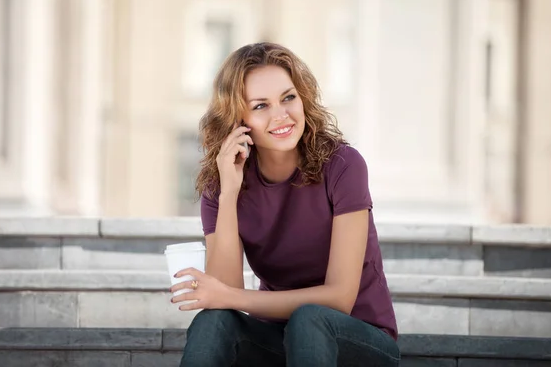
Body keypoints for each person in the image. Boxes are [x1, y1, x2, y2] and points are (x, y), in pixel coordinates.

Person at [169, 42, 399, 367]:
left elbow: (340, 298)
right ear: (238, 118)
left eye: (288, 98)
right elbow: (224, 296)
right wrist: (229, 194)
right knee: (213, 322)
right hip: (280, 341)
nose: (281, 115)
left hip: (359, 339)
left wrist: (229, 296)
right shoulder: (223, 184)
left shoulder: (343, 166)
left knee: (310, 319)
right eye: (261, 106)